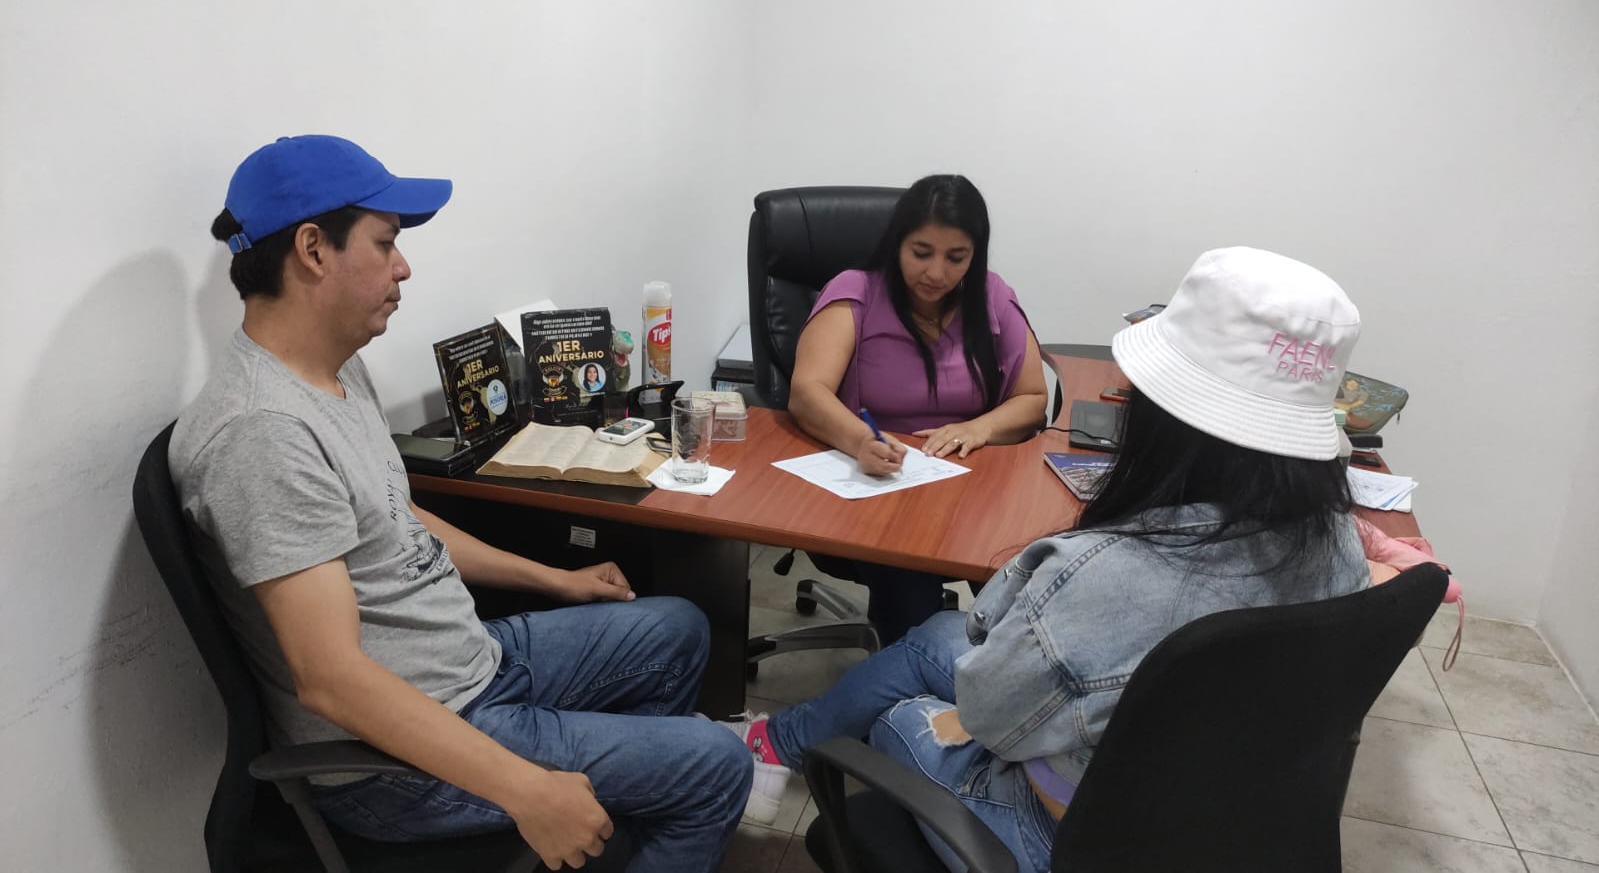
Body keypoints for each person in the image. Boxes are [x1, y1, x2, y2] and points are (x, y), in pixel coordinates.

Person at [170, 135, 767, 872]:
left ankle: (611, 820)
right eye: (386, 242)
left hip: (470, 662)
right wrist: (526, 787)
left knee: (678, 628)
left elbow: (398, 518)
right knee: (717, 766)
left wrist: (557, 580)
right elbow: (330, 679)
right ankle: (613, 800)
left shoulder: (335, 370)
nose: (403, 266)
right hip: (393, 763)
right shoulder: (260, 434)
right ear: (313, 249)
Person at [725, 247, 1371, 871]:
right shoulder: (1340, 548)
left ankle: (771, 749)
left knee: (898, 713)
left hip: (1059, 837)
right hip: (1230, 819)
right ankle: (778, 740)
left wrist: (1037, 586)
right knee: (936, 637)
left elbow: (990, 717)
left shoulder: (1102, 570)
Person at [787, 174, 1049, 644]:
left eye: (956, 257)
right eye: (921, 252)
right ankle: (911, 677)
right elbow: (808, 392)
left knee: (1022, 589)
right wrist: (860, 440)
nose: (937, 273)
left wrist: (980, 427)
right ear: (897, 244)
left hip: (968, 489)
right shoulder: (857, 292)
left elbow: (1032, 398)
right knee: (910, 595)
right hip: (878, 485)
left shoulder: (991, 296)